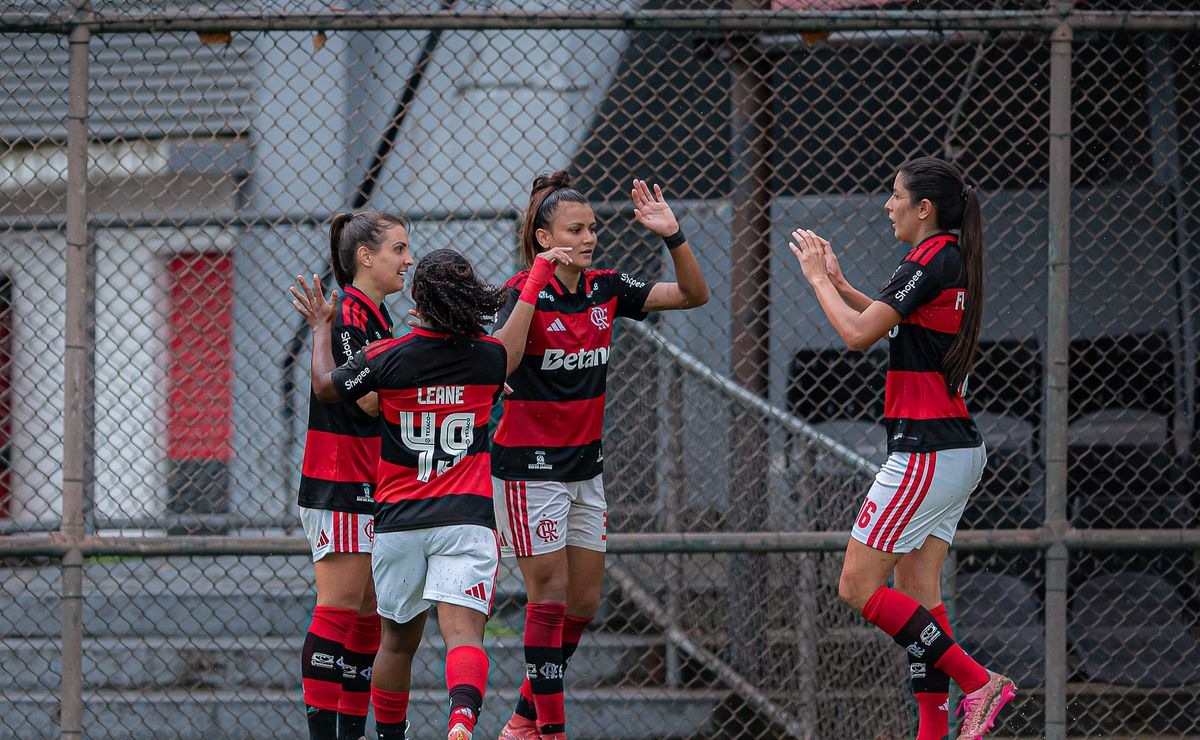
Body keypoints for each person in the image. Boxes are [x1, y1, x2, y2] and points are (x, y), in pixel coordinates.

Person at [292, 245, 571, 740]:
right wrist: (538, 274)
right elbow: (509, 340)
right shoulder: (488, 361)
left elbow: (326, 388)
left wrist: (320, 331)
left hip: (400, 521)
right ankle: (461, 721)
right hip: (466, 519)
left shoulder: (386, 357)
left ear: (418, 301)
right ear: (469, 300)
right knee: (464, 635)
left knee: (395, 643)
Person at [786, 156, 1015, 740]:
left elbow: (858, 336)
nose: (887, 206)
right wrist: (840, 284)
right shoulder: (946, 259)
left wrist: (815, 279)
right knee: (921, 599)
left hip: (925, 452)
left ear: (924, 208)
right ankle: (932, 734)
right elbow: (896, 323)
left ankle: (978, 682)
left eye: (895, 197)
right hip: (954, 452)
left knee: (857, 587)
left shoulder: (929, 256)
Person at [491, 172, 710, 740]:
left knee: (583, 604)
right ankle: (552, 730)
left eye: (593, 227)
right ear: (543, 238)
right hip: (528, 469)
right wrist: (536, 282)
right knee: (550, 595)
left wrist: (673, 236)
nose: (590, 237)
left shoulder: (606, 287)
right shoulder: (522, 291)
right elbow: (504, 364)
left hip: (586, 470)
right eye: (576, 229)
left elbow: (692, 295)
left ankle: (521, 721)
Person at [297, 211, 411, 740]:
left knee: (369, 614)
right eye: (399, 249)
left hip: (371, 482)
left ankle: (350, 732)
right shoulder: (348, 314)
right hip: (341, 480)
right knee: (340, 609)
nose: (408, 260)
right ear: (365, 257)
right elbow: (363, 400)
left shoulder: (377, 317)